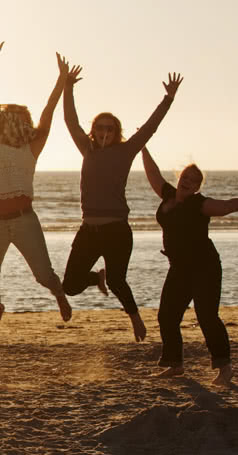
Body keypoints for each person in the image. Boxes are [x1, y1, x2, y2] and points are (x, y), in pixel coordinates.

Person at [62, 67, 180, 342]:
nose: (105, 132)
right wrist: (68, 87)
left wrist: (168, 99)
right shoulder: (86, 149)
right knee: (70, 285)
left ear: (116, 132)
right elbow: (70, 121)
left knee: (117, 280)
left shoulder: (126, 151)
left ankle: (136, 320)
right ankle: (96, 278)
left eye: (110, 128)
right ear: (93, 131)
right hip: (88, 231)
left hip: (117, 230)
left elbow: (150, 128)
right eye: (100, 128)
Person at [140, 147, 238, 386]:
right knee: (167, 316)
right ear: (179, 178)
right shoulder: (168, 195)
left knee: (207, 316)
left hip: (205, 267)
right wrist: (143, 146)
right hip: (179, 267)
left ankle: (224, 367)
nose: (187, 183)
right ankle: (175, 364)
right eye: (185, 178)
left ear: (197, 188)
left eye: (193, 182)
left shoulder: (200, 204)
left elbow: (229, 206)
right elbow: (152, 172)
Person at [0, 41, 74, 338]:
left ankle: (58, 294)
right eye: (10, 115)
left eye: (20, 116)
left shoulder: (33, 146)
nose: (13, 119)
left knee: (44, 274)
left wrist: (61, 80)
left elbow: (48, 111)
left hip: (23, 220)